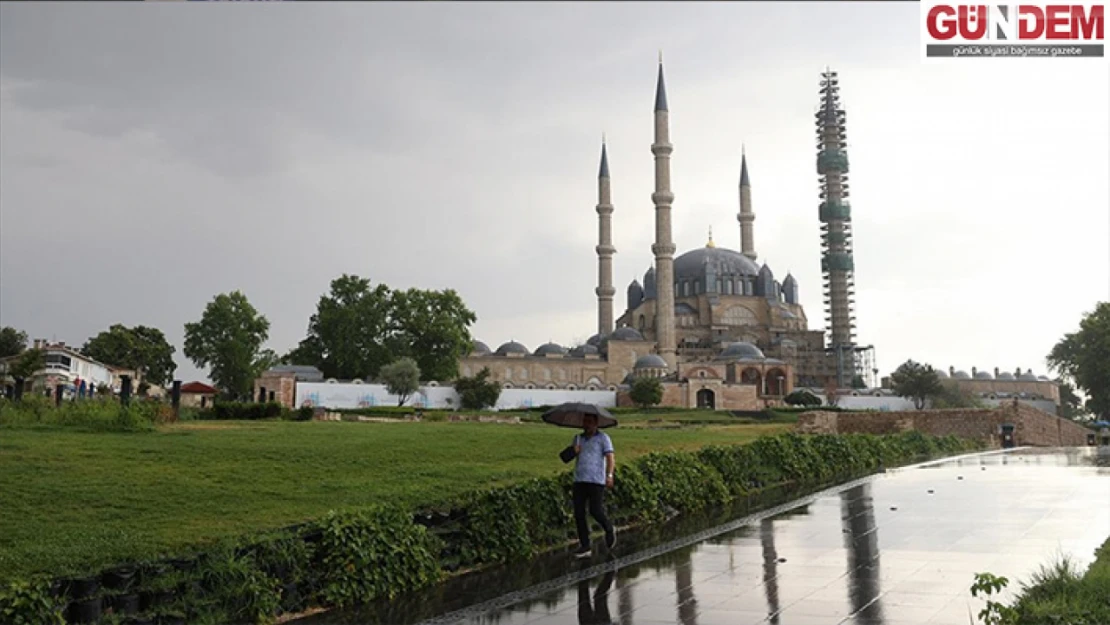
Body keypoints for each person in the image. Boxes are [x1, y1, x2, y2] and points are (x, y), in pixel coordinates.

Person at [571, 413, 616, 558]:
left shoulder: (603, 438)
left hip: (596, 480)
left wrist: (609, 475)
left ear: (596, 424)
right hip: (580, 479)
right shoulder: (578, 438)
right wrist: (573, 451)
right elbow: (564, 457)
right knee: (579, 513)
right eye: (585, 422)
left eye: (590, 422)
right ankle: (585, 545)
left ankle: (608, 529)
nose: (587, 425)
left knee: (595, 510)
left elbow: (610, 457)